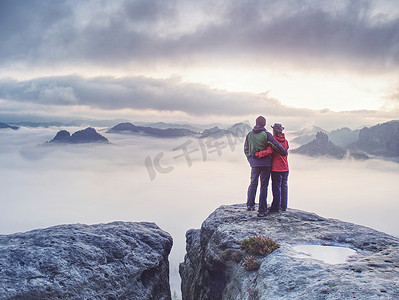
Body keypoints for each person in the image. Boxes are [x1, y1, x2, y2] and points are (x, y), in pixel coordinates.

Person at [244, 116, 287, 217]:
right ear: (264, 124)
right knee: (264, 186)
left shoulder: (249, 135)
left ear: (256, 123)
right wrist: (284, 152)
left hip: (254, 164)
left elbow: (246, 148)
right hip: (266, 164)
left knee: (253, 183)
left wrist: (250, 159)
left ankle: (250, 205)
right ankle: (262, 210)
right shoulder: (266, 134)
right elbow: (276, 145)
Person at [255, 123, 289, 212]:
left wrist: (258, 154)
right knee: (284, 186)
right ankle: (284, 206)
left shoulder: (273, 141)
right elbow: (286, 150)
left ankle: (275, 207)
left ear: (274, 130)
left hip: (276, 168)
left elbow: (269, 152)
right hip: (285, 167)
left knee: (276, 187)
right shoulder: (285, 141)